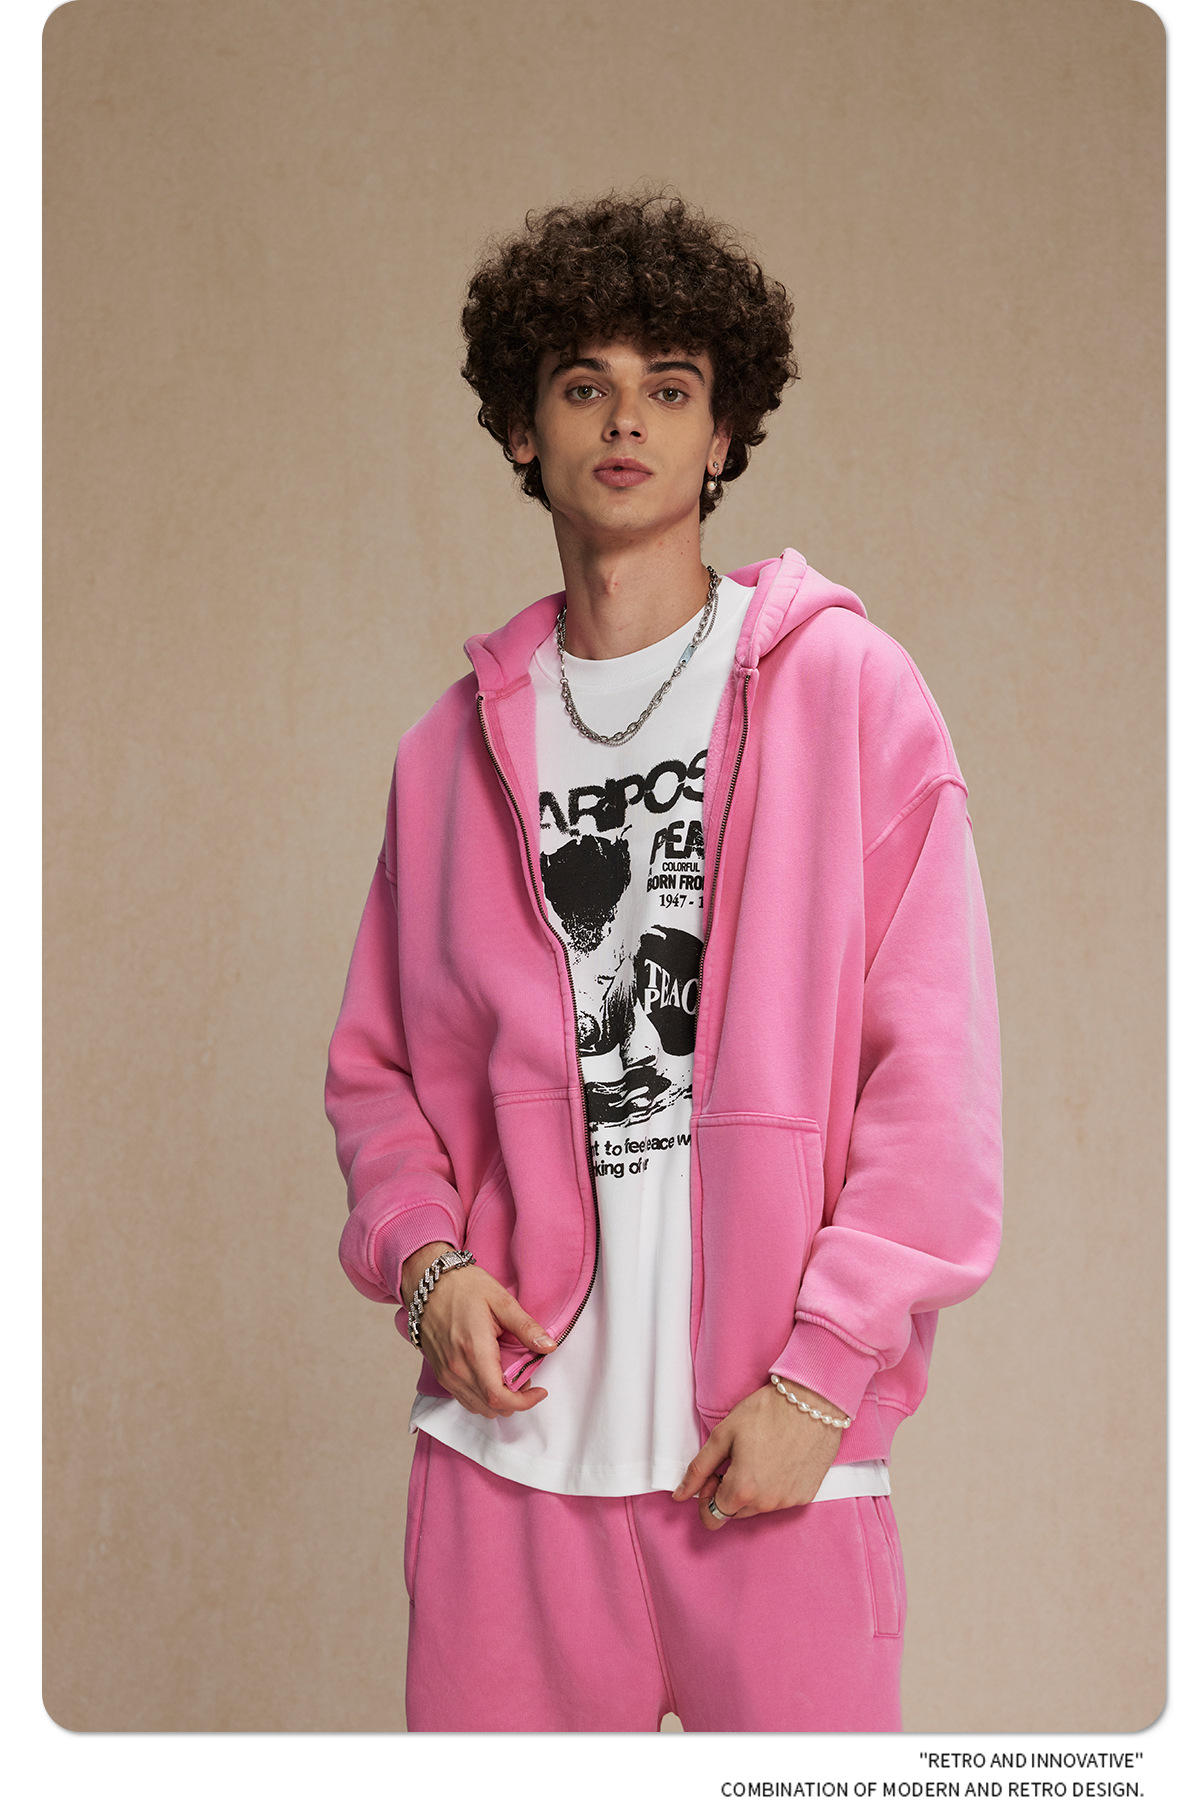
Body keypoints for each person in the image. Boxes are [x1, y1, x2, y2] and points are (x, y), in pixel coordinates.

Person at [325, 191, 1003, 1733]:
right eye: (584, 384)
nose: (626, 419)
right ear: (523, 430)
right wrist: (427, 1270)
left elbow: (937, 1089)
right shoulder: (446, 758)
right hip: (508, 1466)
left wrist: (822, 1377)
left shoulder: (848, 693)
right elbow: (374, 1078)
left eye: (671, 386)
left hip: (771, 1456)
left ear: (722, 435)